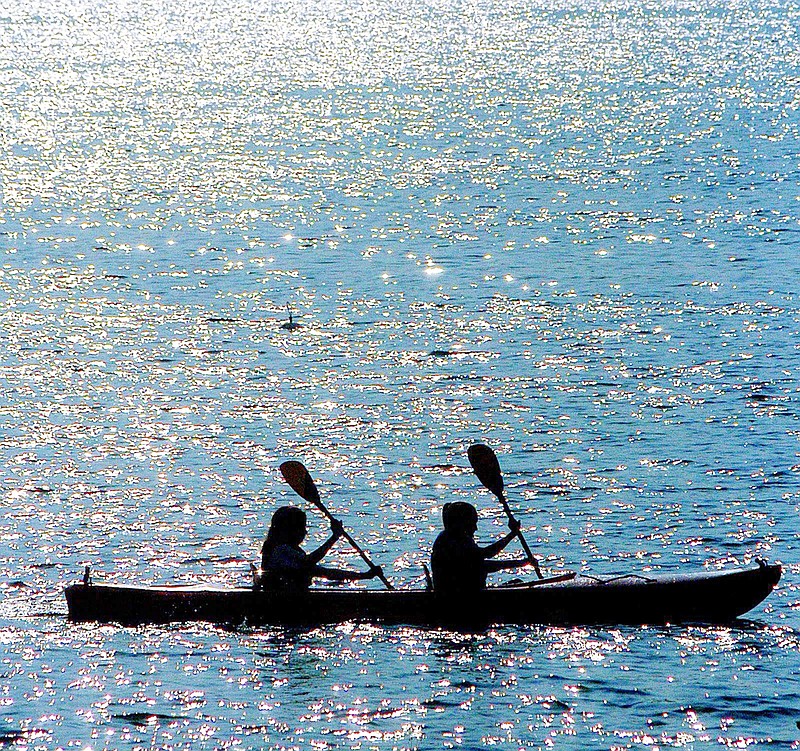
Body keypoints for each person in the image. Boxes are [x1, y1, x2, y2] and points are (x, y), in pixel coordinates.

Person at [258, 506, 382, 591]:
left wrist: (364, 576)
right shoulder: (280, 551)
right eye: (301, 527)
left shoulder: (292, 553)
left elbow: (325, 573)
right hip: (285, 602)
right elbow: (308, 562)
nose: (305, 531)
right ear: (287, 530)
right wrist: (334, 537)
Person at [431, 501, 532, 594]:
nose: (475, 528)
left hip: (468, 593)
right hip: (459, 597)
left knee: (517, 583)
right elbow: (483, 565)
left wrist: (512, 534)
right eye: (473, 523)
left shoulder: (457, 538)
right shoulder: (451, 541)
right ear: (462, 523)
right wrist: (521, 563)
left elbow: (486, 553)